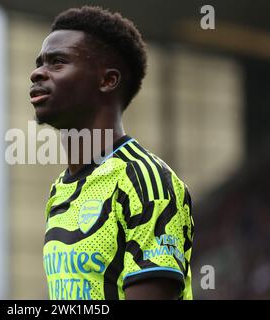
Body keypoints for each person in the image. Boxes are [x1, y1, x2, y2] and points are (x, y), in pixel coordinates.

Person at [29, 6, 194, 300]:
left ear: (107, 80)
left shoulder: (145, 181)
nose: (37, 72)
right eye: (40, 62)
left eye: (58, 62)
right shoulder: (60, 191)